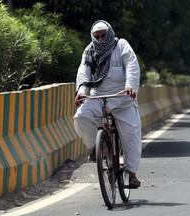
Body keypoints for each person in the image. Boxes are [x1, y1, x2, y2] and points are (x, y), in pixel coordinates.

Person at [73, 20, 142, 188]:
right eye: (97, 37)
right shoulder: (90, 50)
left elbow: (132, 65)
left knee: (130, 133)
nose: (101, 40)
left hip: (122, 97)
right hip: (98, 96)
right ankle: (97, 149)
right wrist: (81, 92)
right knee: (81, 117)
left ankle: (132, 174)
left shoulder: (121, 45)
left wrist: (130, 87)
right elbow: (84, 71)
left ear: (110, 33)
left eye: (104, 36)